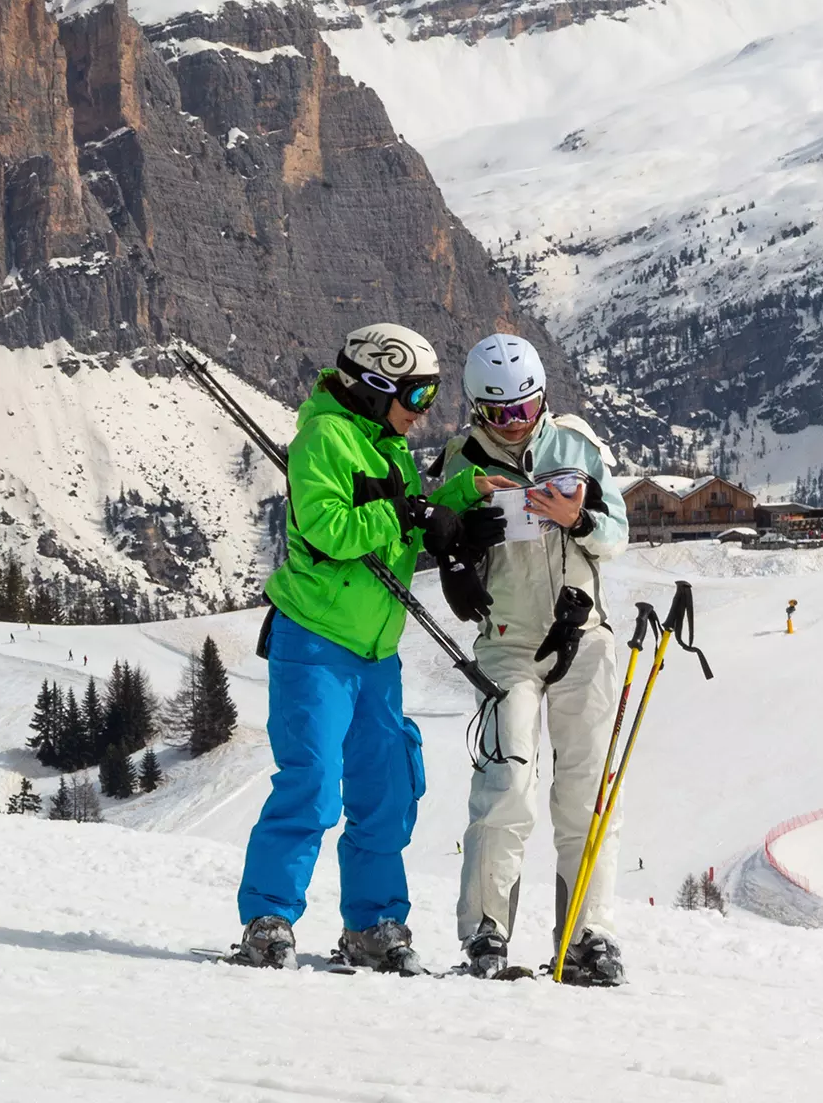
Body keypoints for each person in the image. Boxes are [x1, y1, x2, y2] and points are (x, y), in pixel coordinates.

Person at [230, 324, 504, 975]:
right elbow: (327, 530)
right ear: (376, 384)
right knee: (313, 784)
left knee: (385, 791)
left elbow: (400, 527)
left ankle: (373, 926)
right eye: (417, 393)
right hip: (317, 644)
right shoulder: (323, 438)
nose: (424, 410)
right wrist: (406, 515)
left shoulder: (387, 447)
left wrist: (455, 505)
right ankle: (269, 920)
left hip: (376, 656)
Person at [436, 333, 629, 984]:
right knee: (506, 783)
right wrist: (462, 532)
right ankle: (486, 932)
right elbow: (434, 546)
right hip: (508, 641)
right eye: (499, 414)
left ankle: (587, 935)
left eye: (524, 409)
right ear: (477, 411)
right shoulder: (461, 462)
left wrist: (579, 520)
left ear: (542, 396)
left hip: (584, 637)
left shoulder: (577, 446)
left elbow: (618, 534)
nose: (514, 425)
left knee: (586, 795)